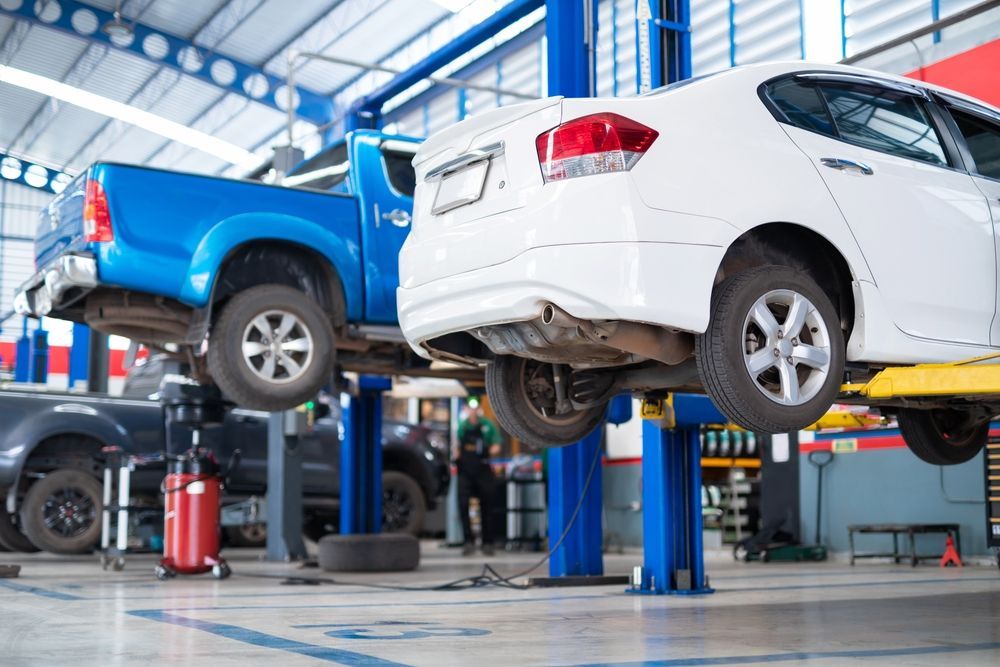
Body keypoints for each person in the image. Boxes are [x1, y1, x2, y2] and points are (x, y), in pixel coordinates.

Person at [456, 406, 502, 556]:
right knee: (463, 506)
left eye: (475, 407)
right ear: (466, 409)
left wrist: (487, 451)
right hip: (465, 471)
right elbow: (456, 447)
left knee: (487, 506)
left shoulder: (487, 425)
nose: (473, 410)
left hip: (483, 469)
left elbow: (497, 445)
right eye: (469, 407)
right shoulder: (462, 426)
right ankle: (468, 542)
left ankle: (488, 543)